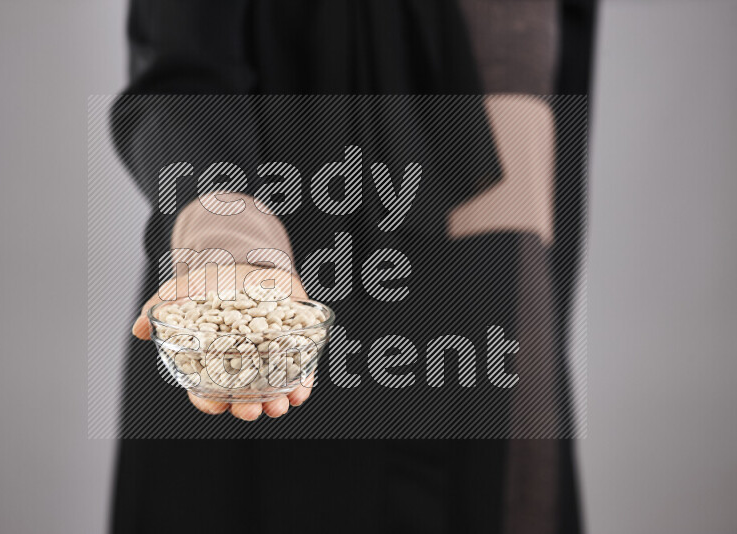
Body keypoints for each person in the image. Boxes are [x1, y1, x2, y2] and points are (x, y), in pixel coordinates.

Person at [110, 1, 597, 532]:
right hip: (275, 351)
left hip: (504, 336)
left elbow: (553, 148)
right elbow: (180, 74)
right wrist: (226, 230)